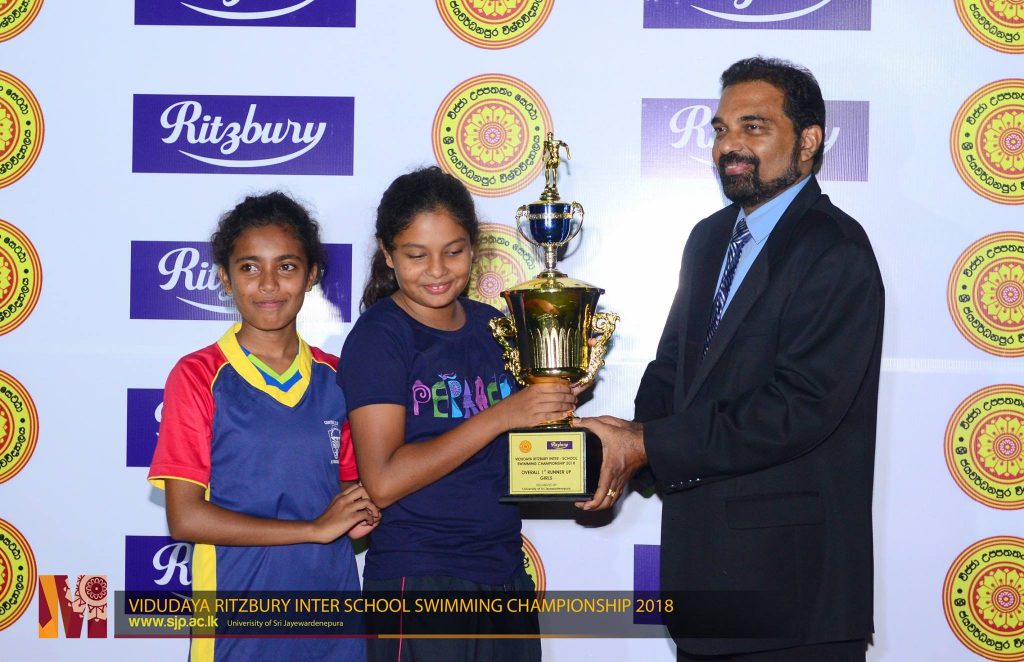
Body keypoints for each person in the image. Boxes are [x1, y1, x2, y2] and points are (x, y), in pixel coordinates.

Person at [576, 57, 884, 661]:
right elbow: (671, 369)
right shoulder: (708, 238)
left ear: (809, 142)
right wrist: (621, 450)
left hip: (793, 599)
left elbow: (797, 409)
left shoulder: (836, 249)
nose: (729, 145)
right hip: (703, 588)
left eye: (753, 127)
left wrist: (647, 445)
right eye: (720, 129)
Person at [337, 166, 575, 661]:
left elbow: (515, 451)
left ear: (474, 247)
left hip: (504, 572)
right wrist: (502, 415)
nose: (438, 270)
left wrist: (574, 430)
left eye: (453, 250)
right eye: (416, 255)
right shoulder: (380, 337)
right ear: (387, 254)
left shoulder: (495, 327)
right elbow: (382, 481)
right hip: (421, 579)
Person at [148, 192, 379, 662]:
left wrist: (363, 513)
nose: (269, 284)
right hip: (238, 628)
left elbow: (351, 495)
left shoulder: (338, 377)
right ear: (225, 277)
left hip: (334, 625)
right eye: (250, 267)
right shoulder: (198, 376)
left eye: (287, 266)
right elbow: (186, 518)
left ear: (311, 275)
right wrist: (313, 529)